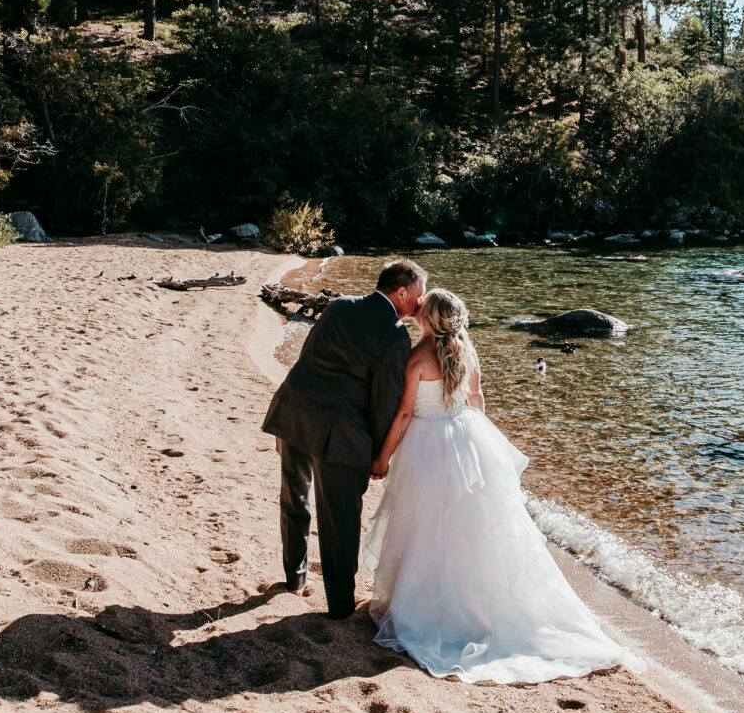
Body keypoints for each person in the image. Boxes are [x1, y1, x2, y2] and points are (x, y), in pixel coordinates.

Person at [359, 287, 626, 683]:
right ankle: (478, 604)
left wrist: (382, 457)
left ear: (426, 320)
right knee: (473, 530)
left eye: (420, 311)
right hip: (466, 438)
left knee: (428, 527)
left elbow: (403, 413)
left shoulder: (418, 357)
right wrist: (483, 447)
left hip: (427, 445)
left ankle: (428, 608)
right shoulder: (467, 352)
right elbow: (477, 399)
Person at [262, 257, 423, 619]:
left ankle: (295, 578)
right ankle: (338, 606)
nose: (419, 303)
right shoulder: (395, 333)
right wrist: (381, 454)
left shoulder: (339, 306)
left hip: (295, 409)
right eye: (418, 294)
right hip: (340, 432)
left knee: (294, 497)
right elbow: (385, 400)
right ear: (401, 292)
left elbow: (308, 355)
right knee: (341, 520)